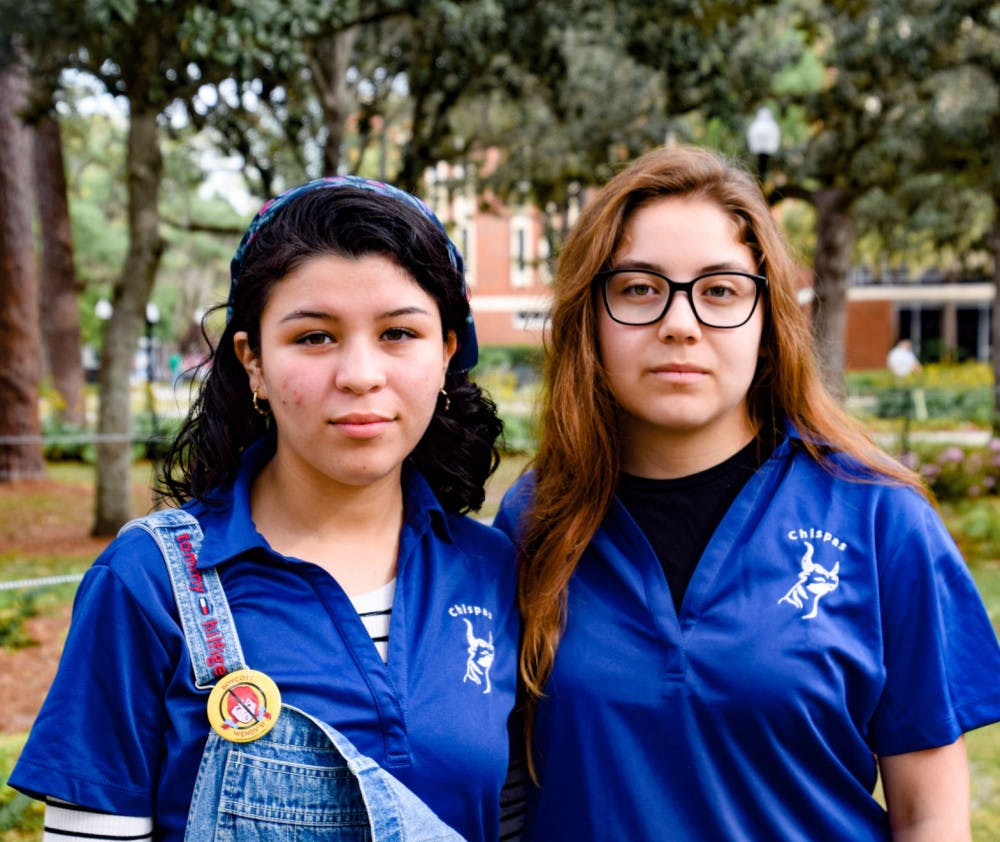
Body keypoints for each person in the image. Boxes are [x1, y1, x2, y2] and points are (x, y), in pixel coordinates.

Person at [494, 145, 1000, 840]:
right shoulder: (533, 520)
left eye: (720, 290)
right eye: (639, 288)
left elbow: (931, 818)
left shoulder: (881, 519)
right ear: (593, 318)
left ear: (767, 322)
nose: (680, 323)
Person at [10, 176, 519, 841]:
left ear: (447, 352)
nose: (361, 374)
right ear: (253, 360)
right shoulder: (149, 582)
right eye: (314, 337)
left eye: (399, 333)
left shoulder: (494, 570)